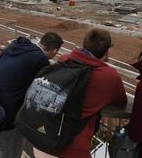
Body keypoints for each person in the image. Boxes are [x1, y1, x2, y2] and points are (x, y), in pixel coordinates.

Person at [35, 28, 127, 158]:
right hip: (71, 148)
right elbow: (121, 101)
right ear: (107, 52)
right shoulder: (109, 76)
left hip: (42, 139)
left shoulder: (65, 59)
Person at [0, 32, 63, 158]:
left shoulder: (21, 46)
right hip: (6, 113)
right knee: (4, 149)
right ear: (55, 51)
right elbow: (43, 92)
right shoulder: (40, 60)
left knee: (9, 146)